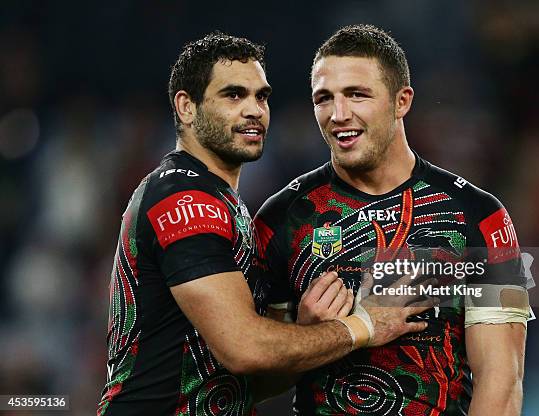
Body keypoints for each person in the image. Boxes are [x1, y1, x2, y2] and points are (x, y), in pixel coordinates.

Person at [97, 31, 432, 416]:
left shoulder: (225, 203)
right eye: (233, 95)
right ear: (187, 107)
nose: (254, 109)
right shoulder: (184, 199)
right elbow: (245, 349)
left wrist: (308, 333)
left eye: (262, 96)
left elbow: (252, 382)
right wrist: (364, 326)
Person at [255, 24, 531, 415]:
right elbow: (257, 382)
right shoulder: (281, 220)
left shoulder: (481, 218)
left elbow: (502, 381)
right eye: (324, 98)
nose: (338, 114)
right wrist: (304, 336)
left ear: (402, 101)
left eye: (357, 95)